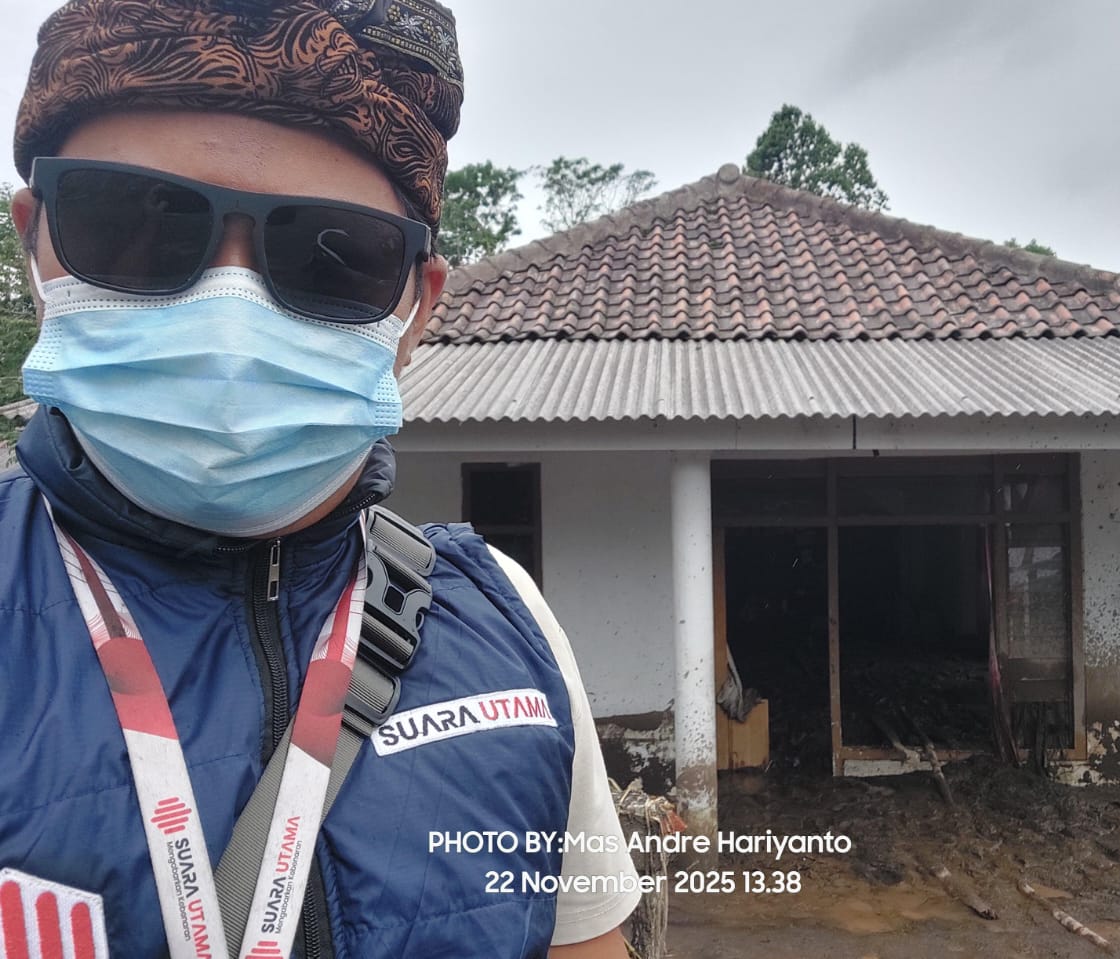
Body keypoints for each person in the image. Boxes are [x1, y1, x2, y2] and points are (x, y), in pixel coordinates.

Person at [0, 1, 640, 956]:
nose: (229, 317)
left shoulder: (509, 625)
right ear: (34, 241)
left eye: (332, 257)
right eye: (136, 225)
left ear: (416, 311)